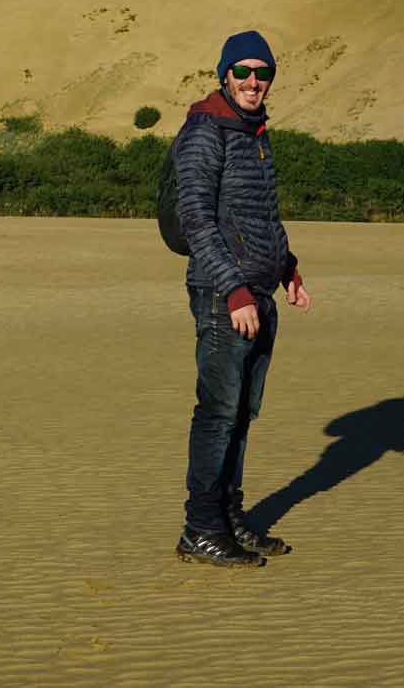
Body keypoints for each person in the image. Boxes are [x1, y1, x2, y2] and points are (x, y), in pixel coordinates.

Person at [173, 30, 314, 567]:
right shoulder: (205, 131)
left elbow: (260, 214)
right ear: (225, 75)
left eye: (264, 73)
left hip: (258, 290)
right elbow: (196, 219)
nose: (254, 82)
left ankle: (229, 519)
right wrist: (233, 290)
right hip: (222, 294)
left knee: (241, 414)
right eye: (243, 72)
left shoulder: (253, 131)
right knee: (218, 412)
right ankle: (200, 528)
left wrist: (287, 267)